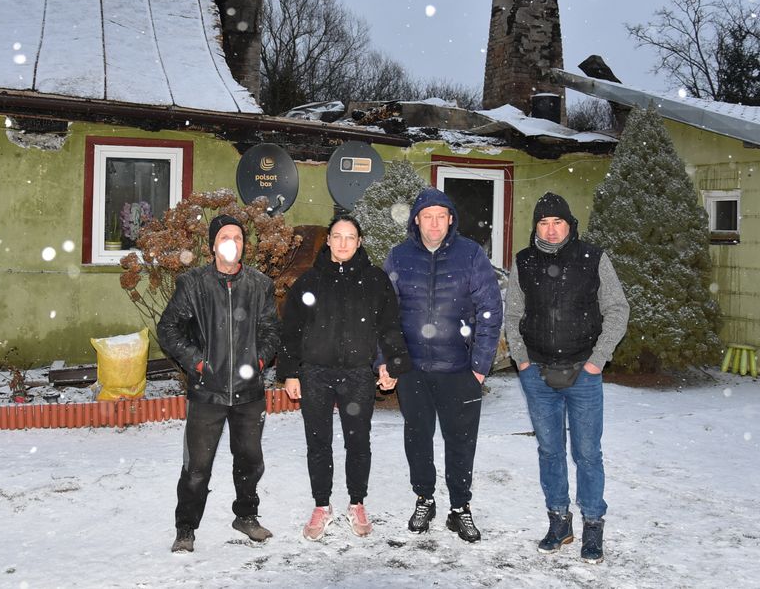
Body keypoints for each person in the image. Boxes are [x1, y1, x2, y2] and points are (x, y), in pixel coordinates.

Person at [504, 192, 630, 564]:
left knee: (588, 453)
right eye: (544, 222)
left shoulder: (593, 258)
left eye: (558, 222)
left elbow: (617, 309)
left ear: (570, 225)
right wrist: (523, 362)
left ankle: (593, 523)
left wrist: (597, 360)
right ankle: (559, 521)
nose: (551, 229)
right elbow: (513, 316)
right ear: (536, 227)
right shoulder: (524, 261)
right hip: (538, 374)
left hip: (584, 374)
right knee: (550, 451)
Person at [278, 214, 412, 541]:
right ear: (328, 240)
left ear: (359, 241)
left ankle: (357, 502)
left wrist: (391, 365)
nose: (343, 243)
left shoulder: (375, 281)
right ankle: (322, 505)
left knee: (358, 441)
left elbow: (390, 327)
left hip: (357, 375)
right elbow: (291, 331)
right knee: (318, 442)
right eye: (337, 236)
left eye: (350, 237)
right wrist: (290, 372)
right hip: (315, 374)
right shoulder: (309, 282)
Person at [382, 187, 503, 543]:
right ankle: (425, 498)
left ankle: (460, 507)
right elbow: (384, 314)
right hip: (413, 371)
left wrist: (479, 365)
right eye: (426, 216)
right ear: (416, 219)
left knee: (461, 441)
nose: (434, 224)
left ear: (450, 219)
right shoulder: (399, 257)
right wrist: (387, 361)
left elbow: (490, 311)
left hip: (460, 370)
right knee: (417, 438)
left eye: (440, 216)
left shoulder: (471, 255)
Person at [157, 214, 281, 553]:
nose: (232, 242)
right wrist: (198, 362)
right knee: (197, 467)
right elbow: (168, 329)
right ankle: (186, 528)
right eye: (225, 236)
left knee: (250, 460)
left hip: (249, 394)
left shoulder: (259, 285)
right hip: (206, 393)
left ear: (244, 245)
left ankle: (246, 516)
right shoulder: (193, 283)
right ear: (213, 244)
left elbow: (271, 332)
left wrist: (257, 361)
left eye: (238, 238)